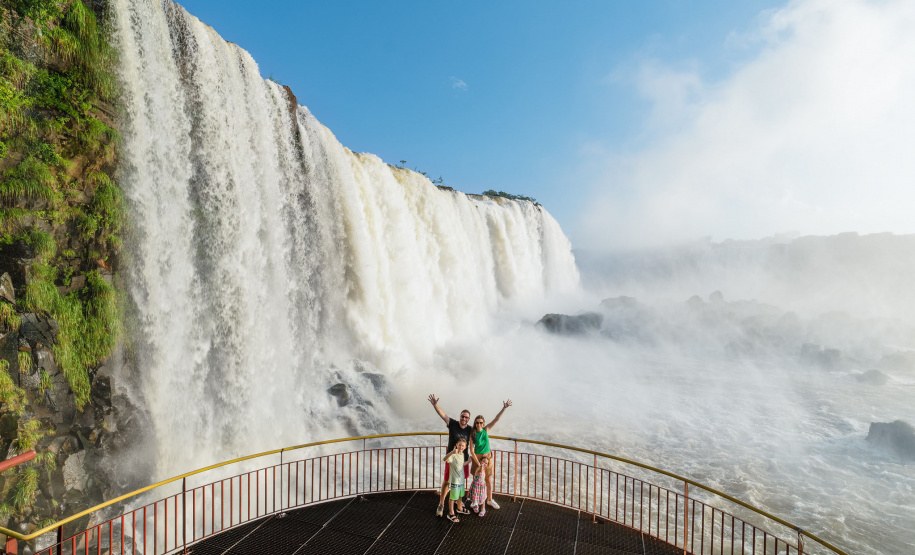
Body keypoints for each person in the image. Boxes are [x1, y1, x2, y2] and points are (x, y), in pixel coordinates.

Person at [428, 394, 472, 517]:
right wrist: (435, 405)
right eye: (462, 416)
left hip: (463, 459)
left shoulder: (470, 429)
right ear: (460, 416)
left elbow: (483, 432)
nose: (464, 418)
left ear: (468, 419)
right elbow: (443, 415)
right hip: (452, 459)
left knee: (460, 481)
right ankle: (441, 504)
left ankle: (458, 505)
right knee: (447, 481)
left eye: (466, 417)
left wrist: (487, 452)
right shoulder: (453, 424)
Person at [470, 399, 512, 510]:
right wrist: (478, 463)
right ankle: (476, 502)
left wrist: (504, 408)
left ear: (483, 423)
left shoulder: (486, 430)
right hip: (477, 458)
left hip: (487, 458)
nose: (479, 424)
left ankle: (489, 500)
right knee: (476, 480)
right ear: (475, 423)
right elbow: (471, 450)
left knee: (488, 479)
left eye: (480, 422)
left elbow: (496, 419)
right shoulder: (472, 434)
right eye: (477, 422)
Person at [442, 438, 471, 522]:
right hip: (455, 480)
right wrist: (452, 452)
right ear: (456, 445)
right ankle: (451, 513)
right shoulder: (453, 455)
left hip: (461, 479)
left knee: (460, 495)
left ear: (465, 447)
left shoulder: (462, 454)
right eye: (459, 445)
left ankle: (459, 508)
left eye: (463, 446)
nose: (461, 447)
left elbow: (462, 465)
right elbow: (444, 459)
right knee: (452, 497)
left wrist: (469, 461)